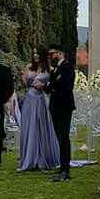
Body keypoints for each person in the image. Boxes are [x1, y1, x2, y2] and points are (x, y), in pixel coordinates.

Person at [18, 48, 60, 172]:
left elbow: (52, 86)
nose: (35, 55)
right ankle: (30, 159)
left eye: (37, 53)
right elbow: (25, 83)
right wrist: (23, 77)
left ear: (42, 55)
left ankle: (43, 157)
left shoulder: (50, 69)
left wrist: (44, 86)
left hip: (42, 99)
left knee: (42, 127)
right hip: (30, 100)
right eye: (34, 53)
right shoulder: (29, 66)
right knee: (30, 127)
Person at [40, 45, 75, 182]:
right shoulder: (57, 69)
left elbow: (66, 85)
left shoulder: (67, 67)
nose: (50, 57)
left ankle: (65, 170)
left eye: (52, 54)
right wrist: (51, 85)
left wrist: (51, 85)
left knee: (64, 137)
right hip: (55, 106)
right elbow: (51, 86)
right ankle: (62, 167)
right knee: (60, 138)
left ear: (60, 53)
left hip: (64, 106)